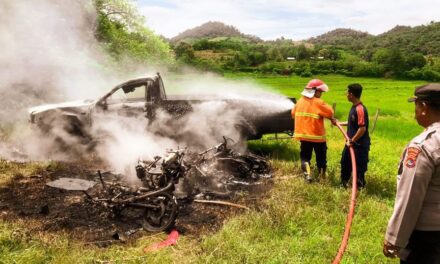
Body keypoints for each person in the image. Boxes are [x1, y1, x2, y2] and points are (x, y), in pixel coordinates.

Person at [383, 83, 440, 263]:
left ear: (423, 107)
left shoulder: (424, 145)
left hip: (427, 238)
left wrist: (394, 239)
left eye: (415, 105)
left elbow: (410, 197)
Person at [291, 79, 335, 182]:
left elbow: (293, 114)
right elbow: (330, 113)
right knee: (321, 158)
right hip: (317, 137)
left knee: (305, 158)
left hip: (304, 136)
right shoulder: (319, 102)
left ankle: (308, 176)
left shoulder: (299, 102)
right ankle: (322, 178)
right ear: (315, 91)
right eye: (320, 92)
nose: (321, 94)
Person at [339, 83, 370, 189]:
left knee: (359, 167)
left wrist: (352, 140)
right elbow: (352, 123)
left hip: (359, 145)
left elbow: (362, 128)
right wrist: (339, 123)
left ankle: (359, 187)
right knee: (345, 164)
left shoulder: (360, 109)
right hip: (351, 143)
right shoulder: (354, 107)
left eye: (347, 93)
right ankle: (343, 184)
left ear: (351, 94)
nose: (346, 95)